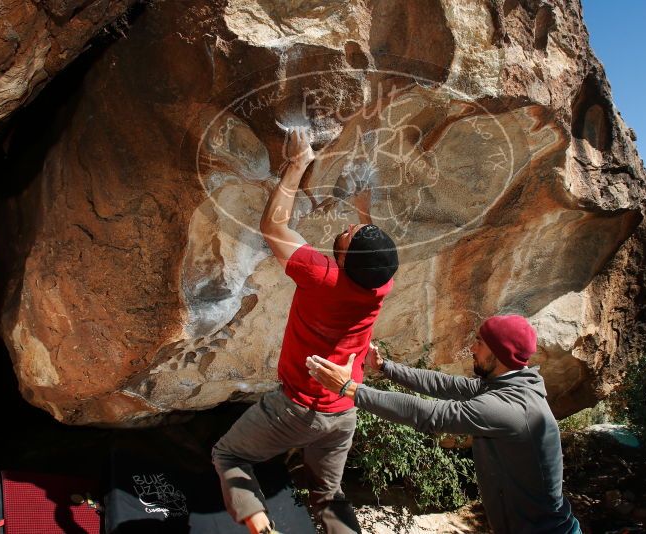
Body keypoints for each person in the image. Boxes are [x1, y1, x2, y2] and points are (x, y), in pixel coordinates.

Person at [211, 127, 399, 534]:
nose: (345, 229)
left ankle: (261, 529)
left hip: (298, 409)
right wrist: (366, 212)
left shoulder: (323, 276)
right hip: (343, 413)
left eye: (348, 237)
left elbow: (273, 227)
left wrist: (298, 164)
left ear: (344, 262)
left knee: (228, 456)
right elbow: (378, 254)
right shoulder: (379, 283)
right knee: (328, 493)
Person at [306, 314, 582, 534]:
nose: (472, 348)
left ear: (499, 354)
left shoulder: (510, 408)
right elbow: (445, 385)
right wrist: (385, 367)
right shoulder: (505, 384)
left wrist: (351, 389)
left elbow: (430, 414)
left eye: (480, 342)